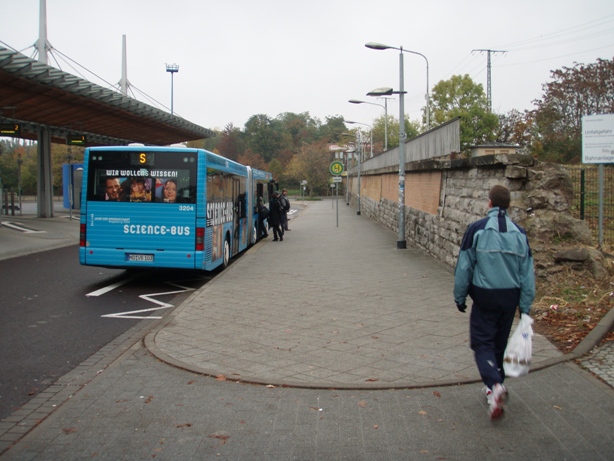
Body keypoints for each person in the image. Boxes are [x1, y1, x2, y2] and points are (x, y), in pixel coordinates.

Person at [453, 185, 535, 420]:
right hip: (510, 298)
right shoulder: (520, 234)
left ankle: (496, 386)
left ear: (489, 203)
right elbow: (527, 274)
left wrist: (459, 297)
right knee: (499, 343)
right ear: (508, 205)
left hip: (485, 296)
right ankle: (493, 389)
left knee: (482, 344)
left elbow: (464, 267)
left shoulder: (476, 230)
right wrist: (526, 306)